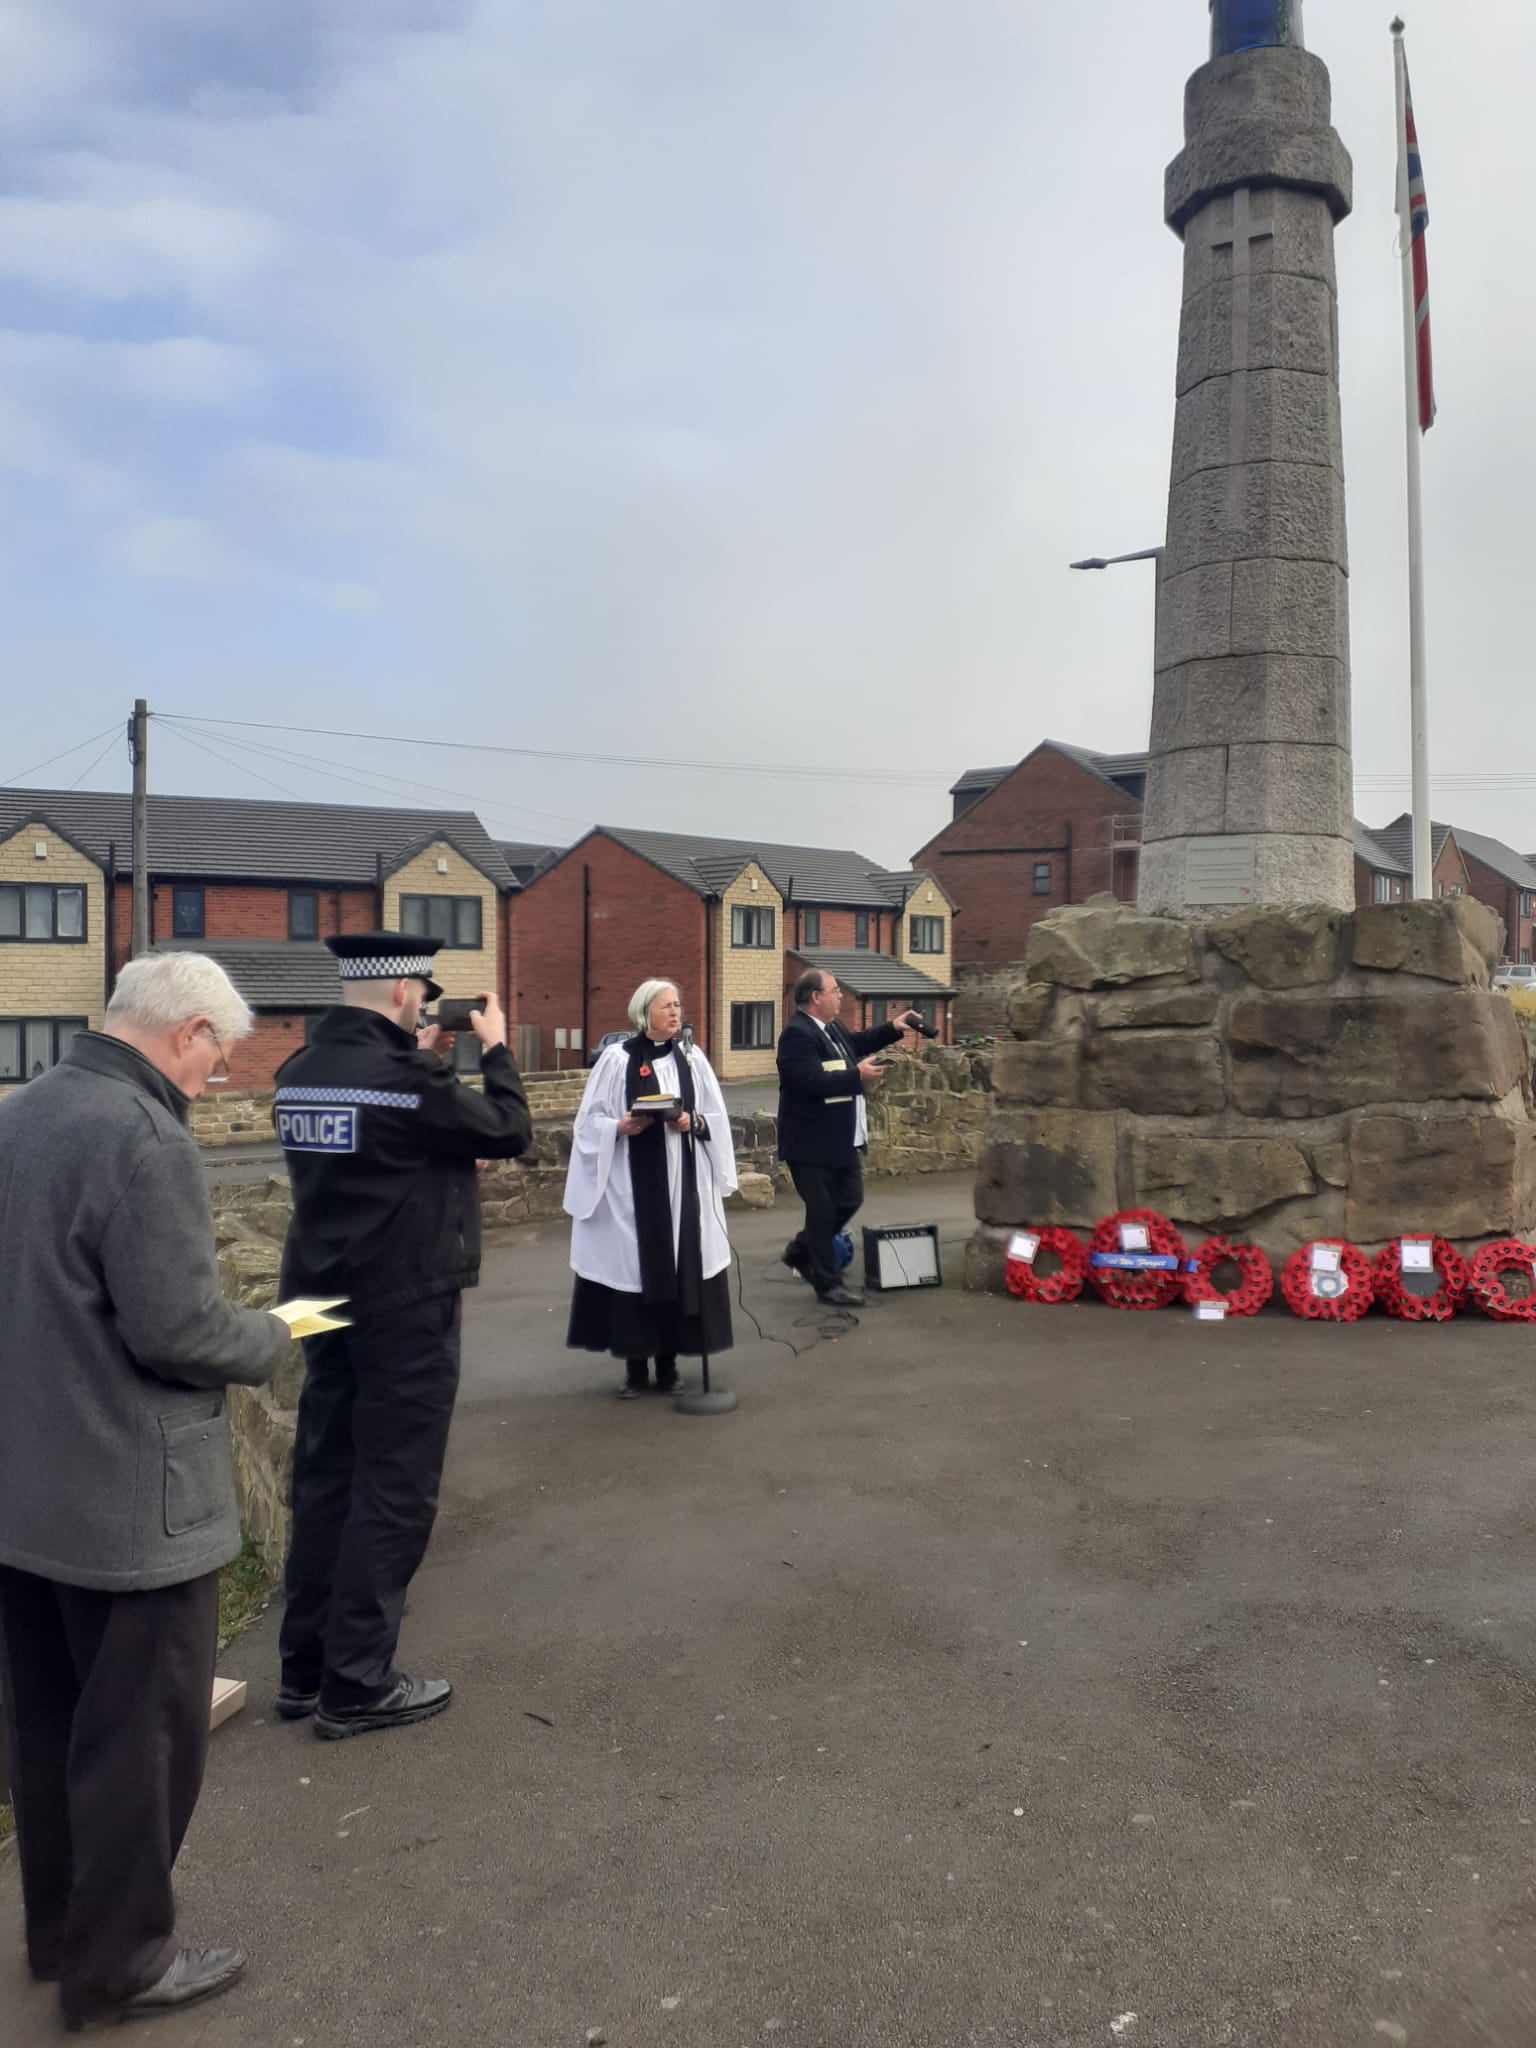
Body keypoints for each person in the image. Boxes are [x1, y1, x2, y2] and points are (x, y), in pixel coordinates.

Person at [0, 953, 290, 2029]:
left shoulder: (24, 1113)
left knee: (48, 1726)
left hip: (27, 1491)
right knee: (140, 1738)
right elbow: (175, 1327)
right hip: (131, 1500)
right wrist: (269, 1334)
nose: (220, 1069)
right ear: (186, 1029)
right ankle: (120, 1961)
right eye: (220, 1046)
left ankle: (62, 1931)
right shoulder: (144, 1132)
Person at [273, 932, 532, 1739]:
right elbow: (508, 1128)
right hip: (399, 1300)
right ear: (399, 995)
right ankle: (358, 1683)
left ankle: (304, 1671)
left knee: (325, 1472)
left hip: (318, 1301)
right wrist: (493, 1049)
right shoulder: (408, 1081)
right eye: (423, 993)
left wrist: (425, 1076)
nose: (428, 1004)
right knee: (394, 1483)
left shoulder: (297, 1073)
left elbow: (370, 1159)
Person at [565, 979, 737, 1398]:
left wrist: (692, 1122)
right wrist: (619, 1127)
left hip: (682, 1186)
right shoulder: (615, 1060)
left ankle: (669, 1364)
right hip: (630, 1187)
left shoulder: (693, 1061)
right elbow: (588, 1123)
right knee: (635, 1272)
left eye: (678, 1005)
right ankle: (635, 1370)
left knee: (678, 1267)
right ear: (645, 1014)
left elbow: (716, 1117)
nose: (676, 1013)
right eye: (666, 1006)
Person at [777, 971, 922, 1307]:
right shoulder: (796, 1036)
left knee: (850, 1198)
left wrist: (893, 1028)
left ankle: (801, 1250)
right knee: (823, 1210)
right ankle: (827, 1285)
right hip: (809, 1142)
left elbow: (856, 1044)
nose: (841, 996)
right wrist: (856, 1076)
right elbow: (810, 1081)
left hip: (841, 1139)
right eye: (835, 991)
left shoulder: (832, 1029)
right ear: (815, 996)